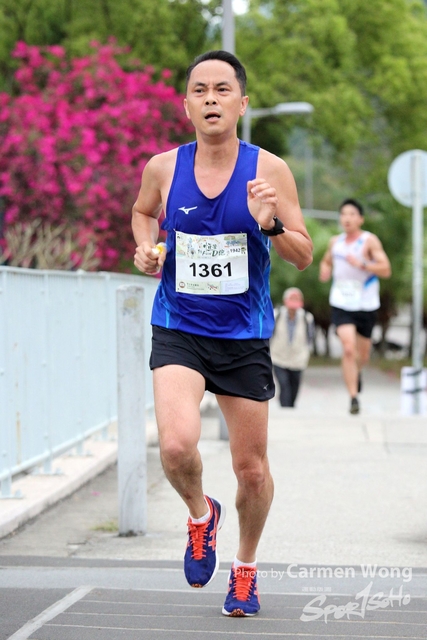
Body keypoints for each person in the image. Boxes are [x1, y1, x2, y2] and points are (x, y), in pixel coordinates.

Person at [132, 50, 313, 617]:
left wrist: (270, 224)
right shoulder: (163, 168)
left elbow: (303, 255)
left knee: (251, 471)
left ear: (242, 103)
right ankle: (200, 515)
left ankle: (245, 569)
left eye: (222, 90)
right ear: (186, 105)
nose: (211, 98)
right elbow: (143, 213)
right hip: (179, 326)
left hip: (243, 336)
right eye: (200, 90)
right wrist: (145, 247)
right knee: (176, 446)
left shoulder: (269, 171)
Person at [319, 198, 391, 415]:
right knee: (348, 348)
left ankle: (356, 373)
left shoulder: (369, 241)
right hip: (341, 302)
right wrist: (325, 270)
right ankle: (353, 397)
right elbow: (326, 261)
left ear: (360, 219)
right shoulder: (335, 242)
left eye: (352, 214)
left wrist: (363, 264)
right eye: (343, 214)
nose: (347, 218)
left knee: (363, 354)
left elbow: (386, 269)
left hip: (365, 303)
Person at [270, 287, 314, 407]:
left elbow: (310, 338)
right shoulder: (276, 314)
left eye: (297, 298)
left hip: (298, 359)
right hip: (278, 357)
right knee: (284, 385)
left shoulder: (307, 317)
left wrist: (306, 353)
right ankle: (286, 409)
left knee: (294, 388)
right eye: (292, 298)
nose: (294, 301)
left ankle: (290, 407)